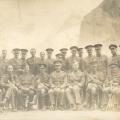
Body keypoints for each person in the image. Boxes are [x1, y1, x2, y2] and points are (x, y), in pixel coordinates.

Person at [107, 44, 120, 110]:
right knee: (107, 90)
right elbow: (108, 70)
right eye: (111, 49)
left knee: (116, 91)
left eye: (113, 49)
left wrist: (118, 80)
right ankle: (110, 106)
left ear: (116, 49)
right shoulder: (109, 58)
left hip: (118, 78)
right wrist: (109, 80)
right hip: (111, 79)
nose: (112, 50)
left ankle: (117, 105)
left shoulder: (119, 57)